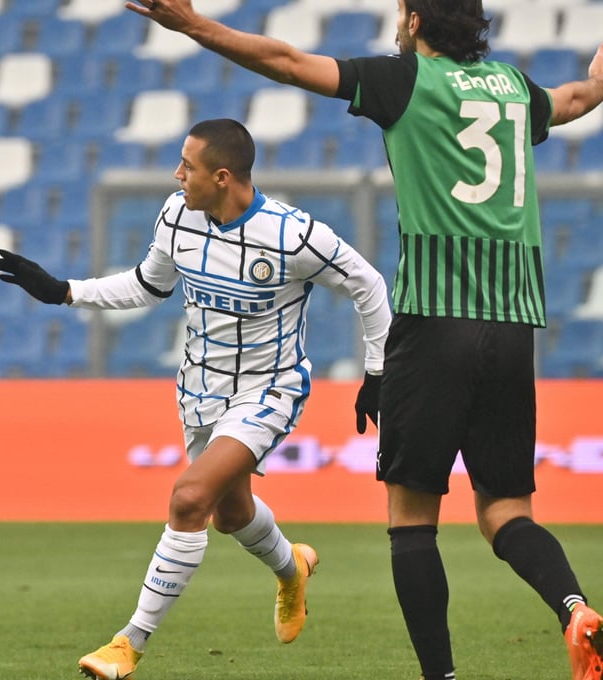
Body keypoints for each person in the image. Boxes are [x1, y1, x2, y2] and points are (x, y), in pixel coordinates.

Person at [126, 1, 603, 679]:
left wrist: (195, 26)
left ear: (415, 21)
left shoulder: (405, 80)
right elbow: (577, 98)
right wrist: (600, 80)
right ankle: (574, 607)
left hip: (433, 323)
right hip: (512, 326)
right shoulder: (514, 88)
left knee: (412, 521)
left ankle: (441, 676)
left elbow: (287, 62)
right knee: (505, 510)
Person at [0, 118, 391, 679]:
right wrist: (64, 291)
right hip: (199, 390)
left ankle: (127, 644)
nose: (177, 175)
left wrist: (377, 372)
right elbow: (147, 285)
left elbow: (368, 283)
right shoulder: (177, 215)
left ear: (222, 177)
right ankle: (292, 569)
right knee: (231, 514)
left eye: (188, 166)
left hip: (268, 389)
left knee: (188, 499)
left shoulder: (292, 235)